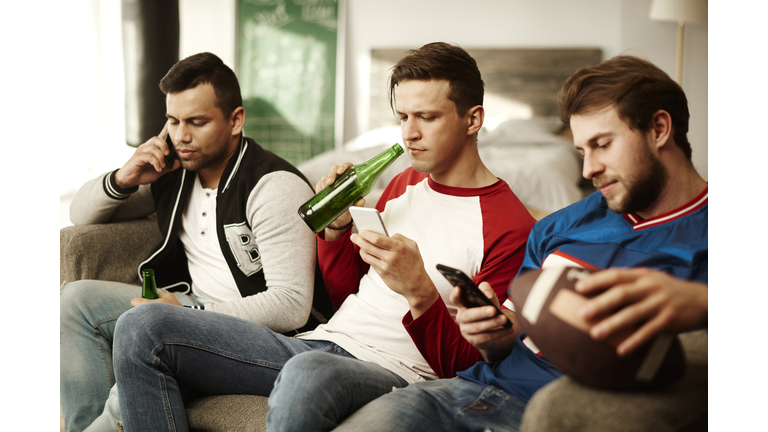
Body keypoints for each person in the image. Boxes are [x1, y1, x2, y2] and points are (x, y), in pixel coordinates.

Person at [110, 42, 536, 431]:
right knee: (140, 326)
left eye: (427, 117)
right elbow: (346, 289)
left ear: (473, 119)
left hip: (397, 371)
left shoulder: (510, 227)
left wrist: (421, 292)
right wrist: (336, 229)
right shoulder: (403, 182)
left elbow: (471, 367)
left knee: (309, 372)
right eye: (403, 117)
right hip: (323, 342)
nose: (409, 134)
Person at [331, 55, 708, 432]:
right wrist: (492, 330)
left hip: (559, 410)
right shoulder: (561, 224)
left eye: (603, 145)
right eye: (581, 151)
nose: (588, 169)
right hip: (470, 390)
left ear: (659, 129)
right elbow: (510, 331)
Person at [60, 52, 334, 432]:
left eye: (197, 122)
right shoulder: (174, 171)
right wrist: (124, 177)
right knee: (75, 300)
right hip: (188, 304)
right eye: (172, 121)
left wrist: (190, 315)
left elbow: (292, 307)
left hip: (265, 336)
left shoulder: (273, 186)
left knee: (130, 378)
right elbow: (81, 215)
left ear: (235, 120)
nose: (181, 136)